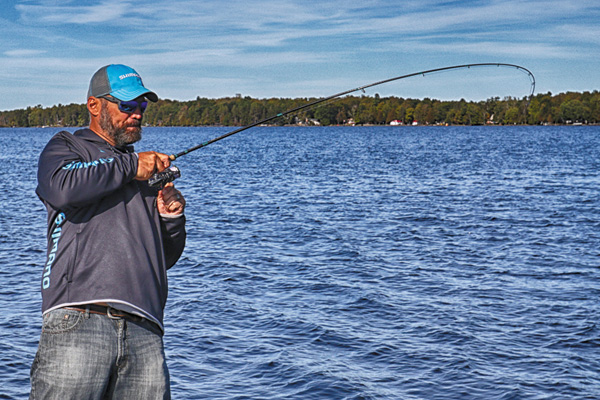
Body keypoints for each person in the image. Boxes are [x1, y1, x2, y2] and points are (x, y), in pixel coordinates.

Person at [30, 64, 186, 399]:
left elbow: (163, 258)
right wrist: (132, 165)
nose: (137, 114)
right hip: (79, 318)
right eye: (127, 105)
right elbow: (61, 188)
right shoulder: (68, 146)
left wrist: (171, 218)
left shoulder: (141, 171)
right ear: (94, 105)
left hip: (145, 330)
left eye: (141, 106)